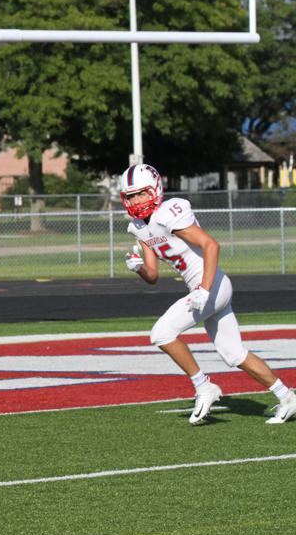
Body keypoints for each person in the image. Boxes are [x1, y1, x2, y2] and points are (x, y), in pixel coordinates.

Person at [120, 162, 295, 425]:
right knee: (233, 353)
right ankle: (287, 397)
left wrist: (204, 288)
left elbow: (211, 244)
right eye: (131, 195)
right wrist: (139, 268)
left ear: (154, 189)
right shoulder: (138, 227)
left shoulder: (169, 212)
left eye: (141, 193)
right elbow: (153, 276)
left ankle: (204, 387)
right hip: (205, 287)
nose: (136, 200)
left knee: (161, 333)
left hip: (211, 284)